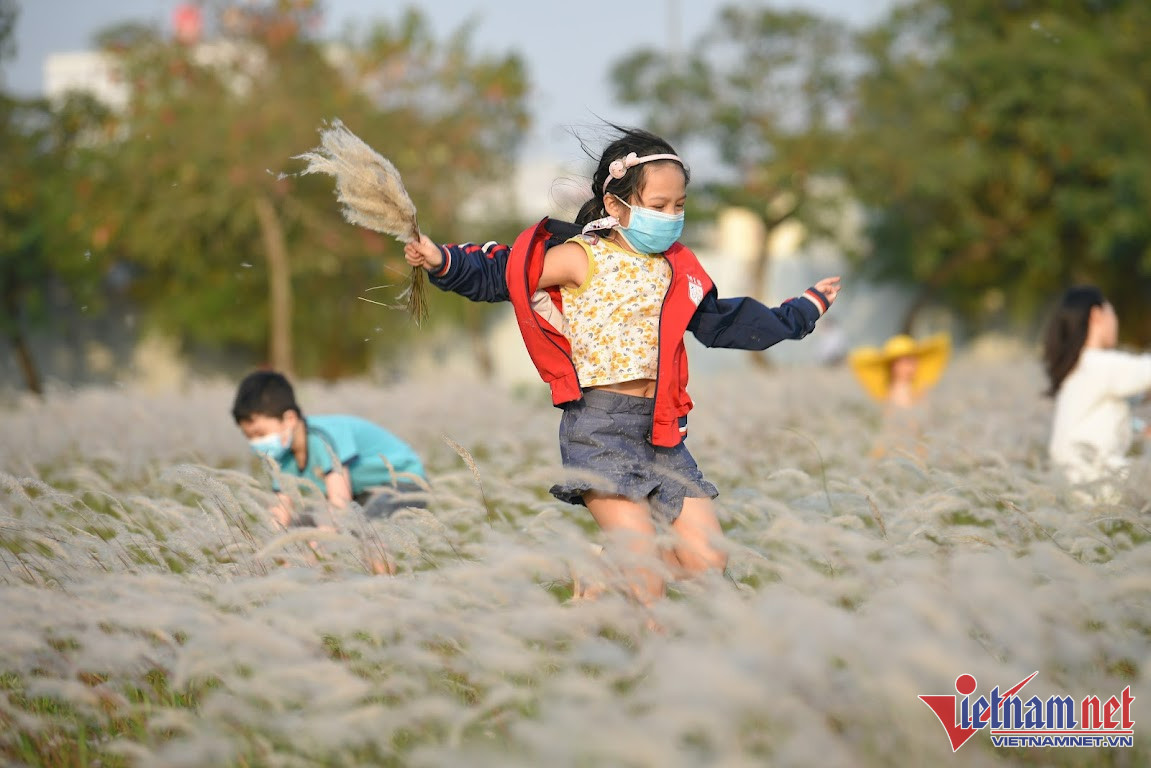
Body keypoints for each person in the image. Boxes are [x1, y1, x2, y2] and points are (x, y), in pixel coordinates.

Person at [402, 126, 841, 605]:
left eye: (679, 205)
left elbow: (726, 322)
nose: (671, 217)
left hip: (662, 432)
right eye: (658, 205)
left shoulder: (677, 267)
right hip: (600, 427)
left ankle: (604, 569)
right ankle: (644, 631)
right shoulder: (581, 257)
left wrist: (802, 311)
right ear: (616, 204)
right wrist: (442, 260)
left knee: (708, 560)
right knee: (646, 577)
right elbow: (505, 273)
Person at [231, 370, 428, 529]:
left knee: (367, 529)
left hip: (404, 483)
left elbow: (339, 506)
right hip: (362, 492)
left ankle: (381, 570)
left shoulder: (324, 438)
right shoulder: (281, 456)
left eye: (260, 433)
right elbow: (281, 511)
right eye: (249, 437)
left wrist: (320, 545)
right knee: (298, 530)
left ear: (289, 419)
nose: (255, 442)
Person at [1043, 286, 1151, 492]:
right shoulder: (1099, 365)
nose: (1116, 321)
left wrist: (1139, 427)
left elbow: (1100, 416)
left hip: (1074, 488)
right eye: (1112, 313)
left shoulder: (1079, 368)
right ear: (1096, 315)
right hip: (1100, 490)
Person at [848, 333, 951, 460]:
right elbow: (892, 427)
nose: (912, 365)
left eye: (913, 360)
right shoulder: (892, 392)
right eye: (905, 361)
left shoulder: (920, 390)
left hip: (918, 448)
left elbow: (927, 422)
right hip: (896, 449)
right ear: (893, 366)